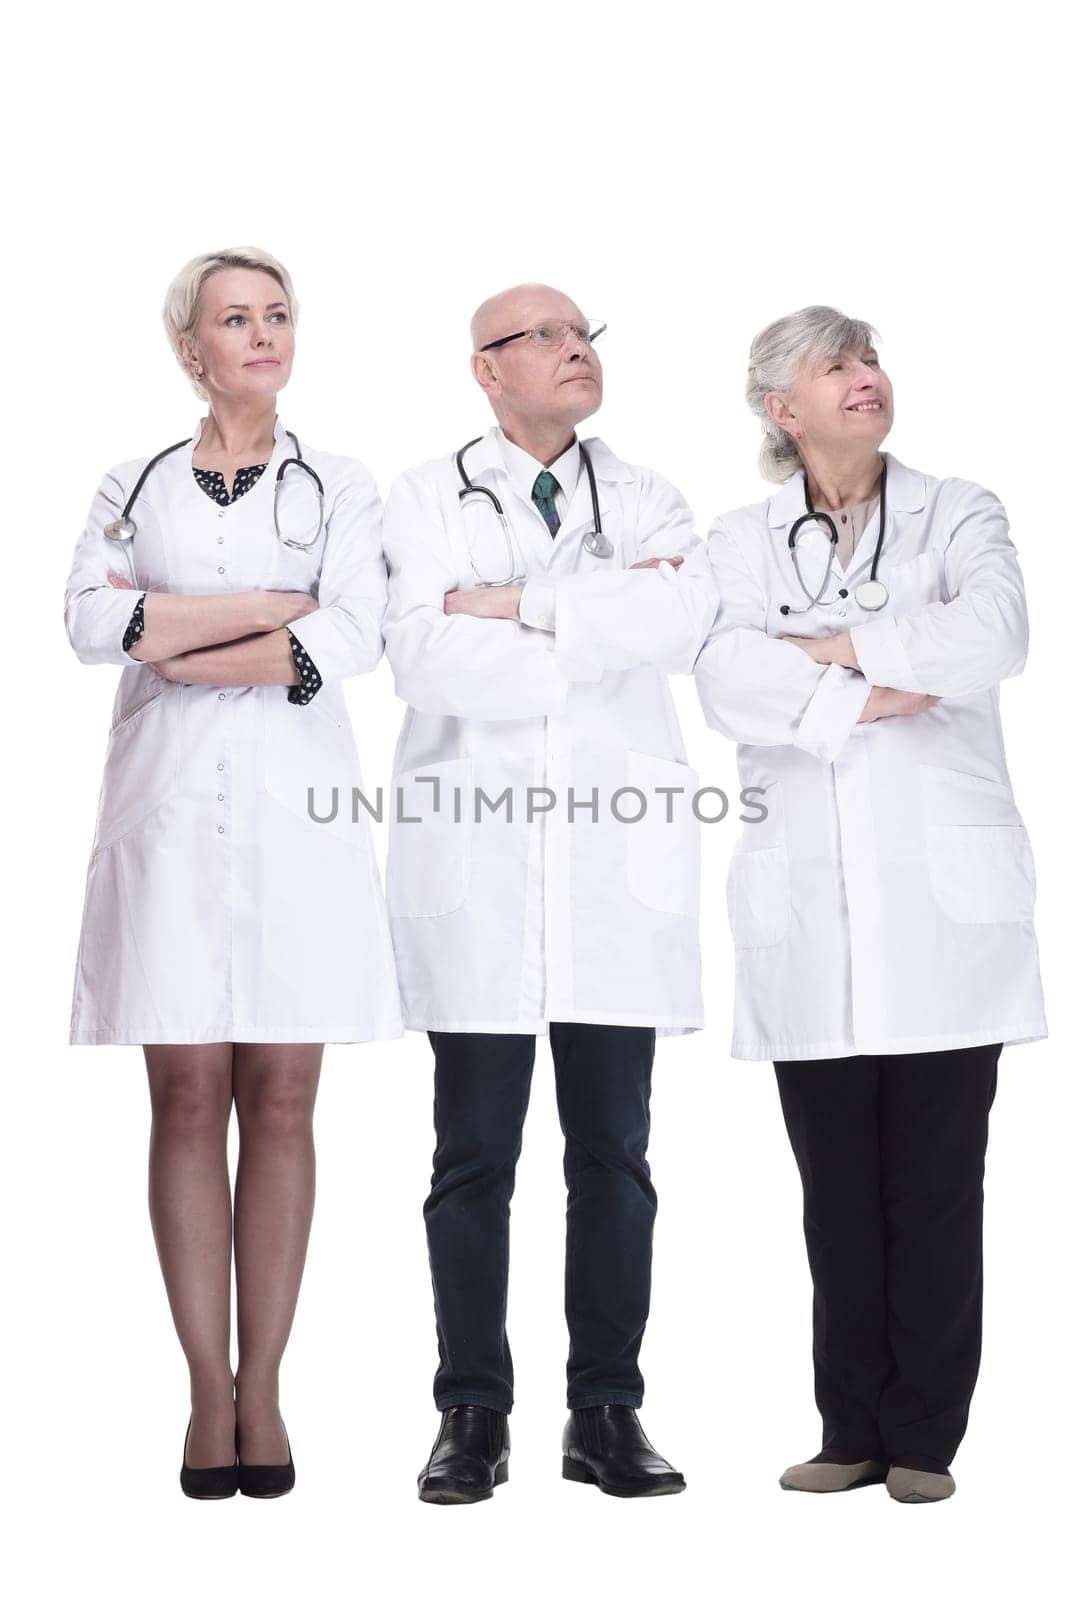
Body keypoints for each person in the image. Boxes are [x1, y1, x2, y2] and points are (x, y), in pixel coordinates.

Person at [64, 246, 402, 1499]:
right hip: (163, 815)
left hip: (296, 818)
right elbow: (91, 622)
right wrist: (267, 607)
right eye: (235, 319)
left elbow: (353, 632)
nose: (263, 334)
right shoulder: (132, 480)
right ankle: (206, 1391)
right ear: (190, 349)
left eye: (277, 315)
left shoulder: (340, 483)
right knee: (187, 1097)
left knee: (283, 1100)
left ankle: (269, 1384)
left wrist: (176, 626)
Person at [694, 305, 1046, 1504]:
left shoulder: (959, 510)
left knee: (937, 1183)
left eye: (868, 358)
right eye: (833, 366)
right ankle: (846, 1427)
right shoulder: (739, 540)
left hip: (942, 912)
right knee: (833, 1186)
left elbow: (992, 634)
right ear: (778, 409)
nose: (864, 378)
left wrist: (823, 651)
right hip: (806, 902)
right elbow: (726, 682)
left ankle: (924, 1440)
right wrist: (884, 676)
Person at [381, 282, 716, 1503]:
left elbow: (682, 619)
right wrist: (591, 634)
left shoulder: (647, 495)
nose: (576, 352)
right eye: (547, 337)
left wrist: (517, 608)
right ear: (485, 368)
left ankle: (605, 1412)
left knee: (613, 1158)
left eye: (586, 336)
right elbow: (417, 649)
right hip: (476, 864)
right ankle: (470, 1412)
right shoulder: (423, 497)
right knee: (470, 1158)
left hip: (612, 882)